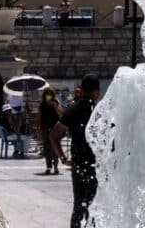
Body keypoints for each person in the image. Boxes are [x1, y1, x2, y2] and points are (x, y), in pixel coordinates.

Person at [50, 74, 101, 228]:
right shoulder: (100, 112)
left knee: (79, 205)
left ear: (82, 89)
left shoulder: (72, 110)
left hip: (78, 165)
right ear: (97, 91)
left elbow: (54, 136)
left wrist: (63, 158)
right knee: (95, 206)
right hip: (96, 166)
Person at [39, 87, 63, 175]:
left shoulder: (56, 102)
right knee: (47, 148)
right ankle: (48, 167)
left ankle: (56, 166)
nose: (48, 96)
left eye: (50, 94)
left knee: (55, 148)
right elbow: (40, 116)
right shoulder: (42, 104)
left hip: (55, 128)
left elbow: (61, 113)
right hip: (45, 128)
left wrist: (54, 106)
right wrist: (40, 129)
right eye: (46, 94)